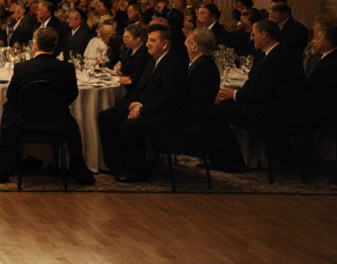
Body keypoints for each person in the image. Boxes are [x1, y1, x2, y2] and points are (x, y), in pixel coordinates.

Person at [0, 28, 95, 186]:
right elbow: (72, 95)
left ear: (34, 44)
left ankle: (4, 168)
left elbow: (12, 97)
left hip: (25, 122)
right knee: (73, 124)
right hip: (58, 122)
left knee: (9, 111)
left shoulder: (22, 68)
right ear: (54, 47)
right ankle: (78, 169)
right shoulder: (66, 68)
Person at [208, 20, 305, 172]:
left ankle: (232, 161)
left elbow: (264, 94)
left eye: (254, 35)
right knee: (218, 106)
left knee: (215, 112)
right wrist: (232, 96)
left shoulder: (277, 59)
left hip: (271, 112)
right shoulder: (267, 55)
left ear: (265, 35)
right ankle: (225, 158)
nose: (251, 38)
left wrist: (234, 94)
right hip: (265, 106)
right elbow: (253, 84)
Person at [96, 25, 187, 182]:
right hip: (144, 106)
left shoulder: (174, 63)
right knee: (106, 116)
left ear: (164, 44)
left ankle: (138, 170)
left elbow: (168, 98)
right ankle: (117, 166)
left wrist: (142, 109)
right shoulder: (153, 61)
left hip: (163, 113)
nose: (147, 44)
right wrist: (131, 103)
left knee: (128, 126)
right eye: (148, 40)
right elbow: (140, 88)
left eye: (152, 40)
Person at [306, 26, 337, 134]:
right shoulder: (334, 57)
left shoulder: (332, 63)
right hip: (329, 106)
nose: (314, 42)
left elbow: (318, 90)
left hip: (327, 110)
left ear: (328, 43)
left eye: (318, 39)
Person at [182, 28, 221, 157]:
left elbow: (194, 99)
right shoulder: (203, 63)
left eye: (187, 43)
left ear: (194, 46)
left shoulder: (203, 67)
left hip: (194, 116)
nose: (184, 46)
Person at [114, 24, 151, 92]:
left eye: (127, 38)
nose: (124, 40)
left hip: (134, 90)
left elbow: (135, 78)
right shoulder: (129, 51)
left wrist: (114, 79)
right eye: (124, 37)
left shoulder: (145, 54)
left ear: (137, 39)